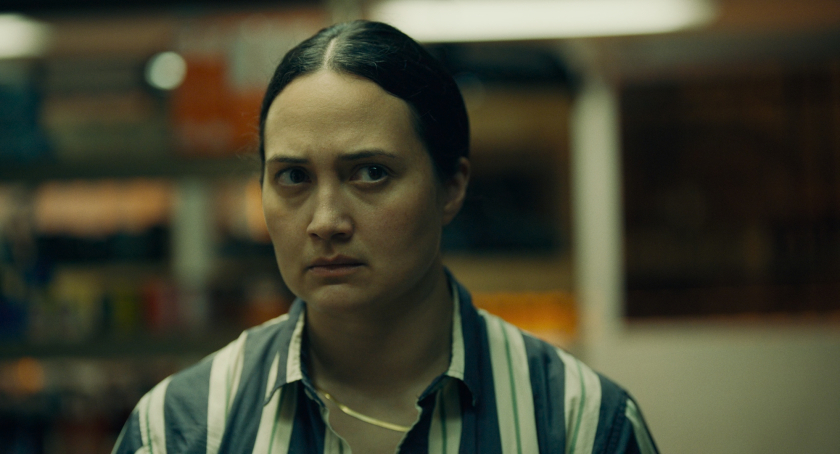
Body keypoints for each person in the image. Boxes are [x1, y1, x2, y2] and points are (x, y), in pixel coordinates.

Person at [113, 20, 658, 454]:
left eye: (371, 173)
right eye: (293, 177)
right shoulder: (180, 430)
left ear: (451, 187)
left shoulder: (579, 424)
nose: (326, 221)